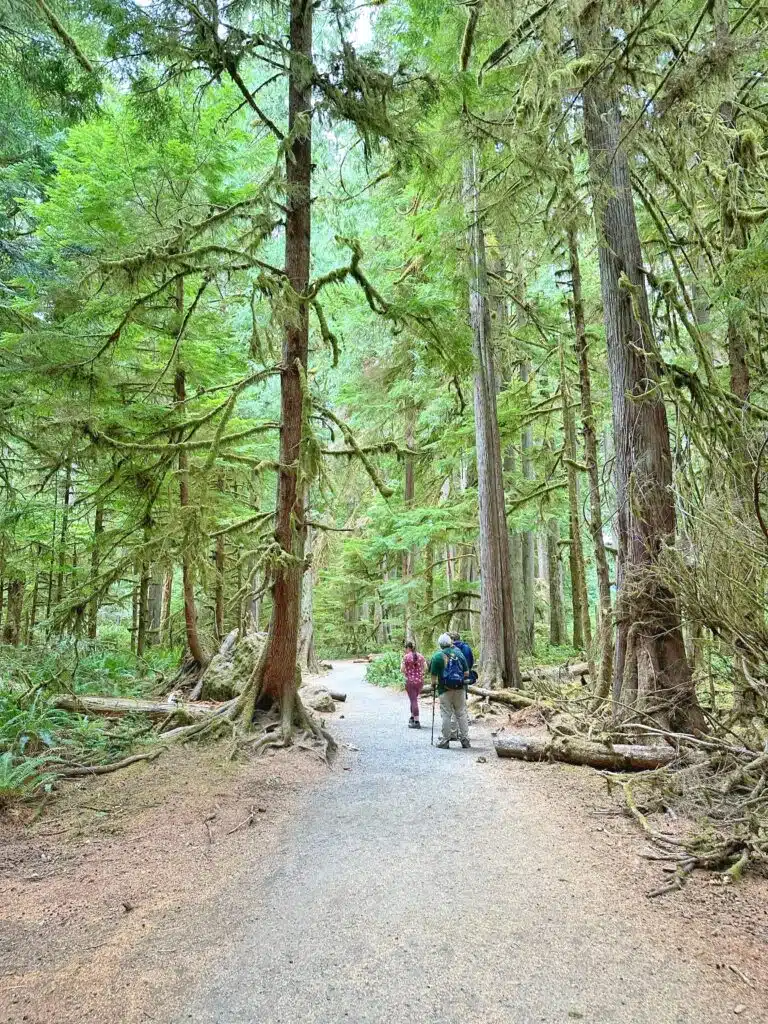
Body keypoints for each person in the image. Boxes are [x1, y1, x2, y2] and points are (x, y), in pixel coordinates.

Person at [429, 632, 470, 749]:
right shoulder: (459, 653)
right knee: (461, 714)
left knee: (446, 714)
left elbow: (433, 678)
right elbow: (466, 673)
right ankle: (465, 740)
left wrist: (434, 685)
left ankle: (445, 740)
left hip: (444, 690)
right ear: (450, 642)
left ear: (440, 644)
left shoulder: (437, 656)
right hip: (460, 689)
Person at [401, 640, 427, 729]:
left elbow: (402, 669)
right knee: (414, 699)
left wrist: (407, 673)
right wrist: (421, 673)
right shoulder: (421, 656)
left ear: (408, 648)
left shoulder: (406, 657)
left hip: (410, 682)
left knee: (413, 700)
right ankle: (412, 717)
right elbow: (426, 667)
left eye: (406, 648)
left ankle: (417, 721)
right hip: (419, 682)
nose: (405, 650)